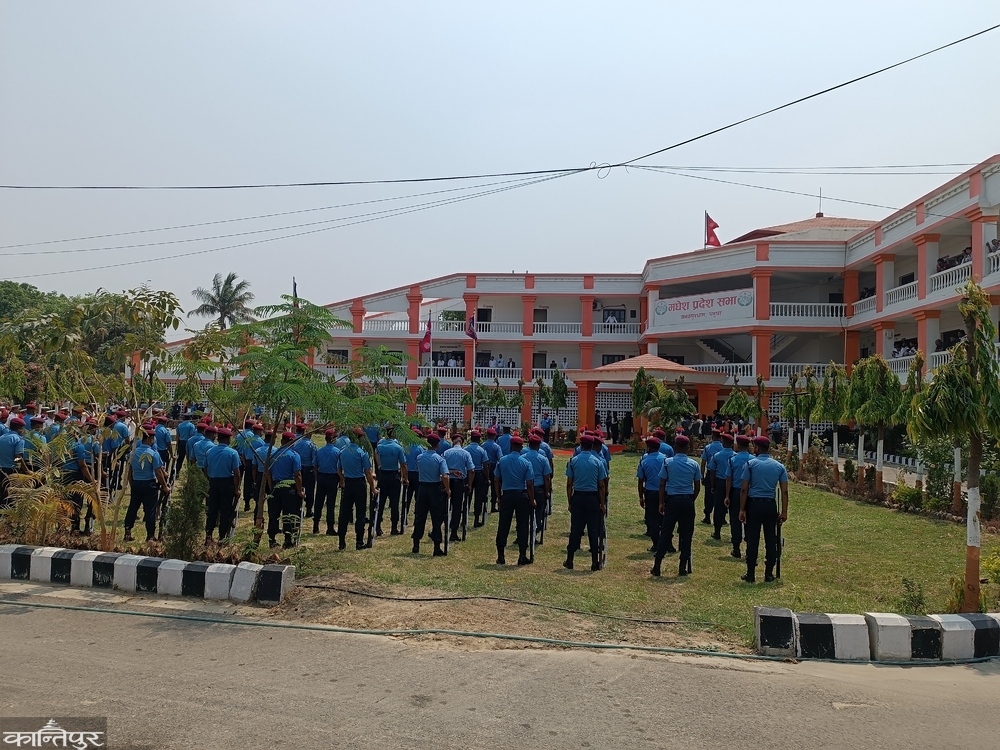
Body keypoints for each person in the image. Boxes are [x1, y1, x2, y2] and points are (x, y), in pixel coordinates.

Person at [738, 436, 789, 583]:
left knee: (752, 540)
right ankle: (768, 573)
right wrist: (784, 511)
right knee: (771, 539)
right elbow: (784, 491)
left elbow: (744, 489)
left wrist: (742, 509)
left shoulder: (750, 464)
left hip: (754, 505)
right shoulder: (779, 466)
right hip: (770, 505)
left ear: (758, 448)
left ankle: (750, 573)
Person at [651, 435, 701, 577]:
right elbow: (697, 487)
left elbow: (662, 484)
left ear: (675, 447)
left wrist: (661, 502)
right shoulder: (694, 464)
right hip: (687, 500)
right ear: (687, 448)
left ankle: (657, 565)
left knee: (666, 532)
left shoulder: (667, 463)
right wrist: (691, 499)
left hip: (672, 500)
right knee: (686, 534)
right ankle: (682, 566)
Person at [564, 434, 607, 571]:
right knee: (593, 530)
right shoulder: (598, 462)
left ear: (581, 446)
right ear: (592, 446)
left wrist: (570, 501)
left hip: (578, 496)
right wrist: (602, 504)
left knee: (575, 529)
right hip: (592, 498)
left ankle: (570, 559)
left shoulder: (573, 461)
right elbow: (601, 485)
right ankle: (594, 561)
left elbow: (569, 484)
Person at [124, 424, 170, 543]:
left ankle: (127, 531)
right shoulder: (153, 453)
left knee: (133, 508)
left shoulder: (133, 453)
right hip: (149, 484)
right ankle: (150, 535)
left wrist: (132, 484)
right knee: (150, 510)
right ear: (150, 439)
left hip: (136, 483)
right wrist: (165, 486)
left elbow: (129, 471)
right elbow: (158, 472)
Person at [493, 435, 535, 565]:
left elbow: (496, 480)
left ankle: (501, 555)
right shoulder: (526, 462)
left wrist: (499, 497)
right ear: (521, 447)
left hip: (507, 495)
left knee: (503, 524)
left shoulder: (502, 461)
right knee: (523, 525)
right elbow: (529, 484)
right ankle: (522, 555)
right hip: (521, 495)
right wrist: (532, 499)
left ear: (511, 446)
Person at [337, 428, 377, 551]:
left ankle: (341, 542)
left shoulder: (343, 451)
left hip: (348, 484)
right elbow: (368, 472)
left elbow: (338, 469)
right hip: (359, 484)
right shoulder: (361, 452)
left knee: (344, 513)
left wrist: (343, 479)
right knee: (360, 514)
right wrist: (373, 488)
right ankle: (359, 542)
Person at [412, 433, 451, 556]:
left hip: (422, 488)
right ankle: (436, 547)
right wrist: (447, 489)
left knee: (420, 516)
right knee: (436, 518)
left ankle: (416, 544)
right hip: (435, 489)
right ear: (438, 445)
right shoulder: (439, 459)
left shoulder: (419, 457)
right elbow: (445, 476)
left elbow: (418, 470)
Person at [267, 431, 304, 549]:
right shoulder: (294, 455)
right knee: (289, 514)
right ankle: (288, 540)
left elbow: (268, 473)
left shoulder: (273, 454)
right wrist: (299, 491)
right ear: (292, 442)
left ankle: (272, 539)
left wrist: (271, 487)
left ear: (282, 441)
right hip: (289, 487)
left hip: (276, 486)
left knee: (274, 513)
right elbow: (297, 475)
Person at [205, 427, 242, 544]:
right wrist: (237, 488)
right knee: (225, 511)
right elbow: (237, 472)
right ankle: (222, 537)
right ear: (228, 439)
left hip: (213, 482)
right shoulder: (232, 453)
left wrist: (209, 479)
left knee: (212, 510)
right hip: (227, 483)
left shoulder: (210, 451)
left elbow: (205, 467)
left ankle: (208, 535)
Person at [636, 436, 666, 552]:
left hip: (651, 493)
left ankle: (656, 544)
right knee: (665, 518)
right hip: (665, 493)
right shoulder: (666, 459)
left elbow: (640, 481)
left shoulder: (644, 461)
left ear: (649, 447)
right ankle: (667, 543)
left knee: (653, 519)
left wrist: (641, 497)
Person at [443, 434, 475, 542]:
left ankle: (440, 528)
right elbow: (471, 470)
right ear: (462, 443)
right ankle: (453, 532)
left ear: (453, 442)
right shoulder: (466, 453)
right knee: (457, 508)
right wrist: (469, 484)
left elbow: (442, 468)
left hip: (447, 481)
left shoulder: (446, 453)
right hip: (459, 482)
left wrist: (451, 471)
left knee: (444, 506)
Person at [726, 434, 752, 558]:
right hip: (750, 493)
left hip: (736, 491)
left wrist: (727, 495)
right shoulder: (753, 459)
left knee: (735, 520)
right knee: (749, 520)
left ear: (738, 445)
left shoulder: (733, 459)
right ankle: (749, 547)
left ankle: (736, 548)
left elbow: (728, 479)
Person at [523, 433, 552, 544]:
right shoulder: (543, 459)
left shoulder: (523, 458)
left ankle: (525, 533)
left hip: (526, 489)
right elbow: (547, 477)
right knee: (539, 512)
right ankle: (536, 529)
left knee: (525, 513)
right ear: (539, 445)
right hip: (539, 489)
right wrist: (547, 491)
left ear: (529, 445)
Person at [707, 433, 735, 541]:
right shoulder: (735, 456)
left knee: (718, 507)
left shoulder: (717, 455)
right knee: (733, 509)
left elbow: (712, 471)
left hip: (720, 482)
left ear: (723, 443)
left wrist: (712, 485)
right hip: (733, 483)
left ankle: (717, 532)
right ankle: (734, 535)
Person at [313, 429, 341, 535]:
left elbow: (315, 466)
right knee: (330, 503)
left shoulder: (319, 451)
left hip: (321, 477)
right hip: (332, 478)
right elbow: (339, 468)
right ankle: (330, 527)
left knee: (318, 502)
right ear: (333, 439)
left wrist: (317, 478)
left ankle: (315, 525)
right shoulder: (337, 452)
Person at [291, 423, 317, 520]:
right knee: (310, 490)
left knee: (298, 487)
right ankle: (309, 510)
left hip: (298, 468)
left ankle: (298, 508)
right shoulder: (311, 445)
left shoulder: (296, 443)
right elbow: (314, 460)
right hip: (309, 469)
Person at [465, 430, 489, 527]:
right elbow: (485, 466)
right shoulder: (482, 450)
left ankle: (464, 519)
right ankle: (476, 520)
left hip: (468, 474)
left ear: (471, 438)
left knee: (467, 497)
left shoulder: (465, 449)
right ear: (479, 439)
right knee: (478, 498)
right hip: (479, 474)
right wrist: (487, 478)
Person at [402, 426, 423, 530]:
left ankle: (404, 518)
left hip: (407, 474)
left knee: (406, 497)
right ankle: (416, 519)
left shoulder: (405, 447)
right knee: (418, 498)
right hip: (417, 474)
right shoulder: (420, 448)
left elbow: (403, 462)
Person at [483, 427, 503, 513]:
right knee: (495, 487)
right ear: (494, 436)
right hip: (494, 467)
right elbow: (500, 458)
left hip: (485, 467)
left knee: (484, 487)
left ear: (487, 435)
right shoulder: (497, 447)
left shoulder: (483, 445)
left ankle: (484, 505)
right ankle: (493, 506)